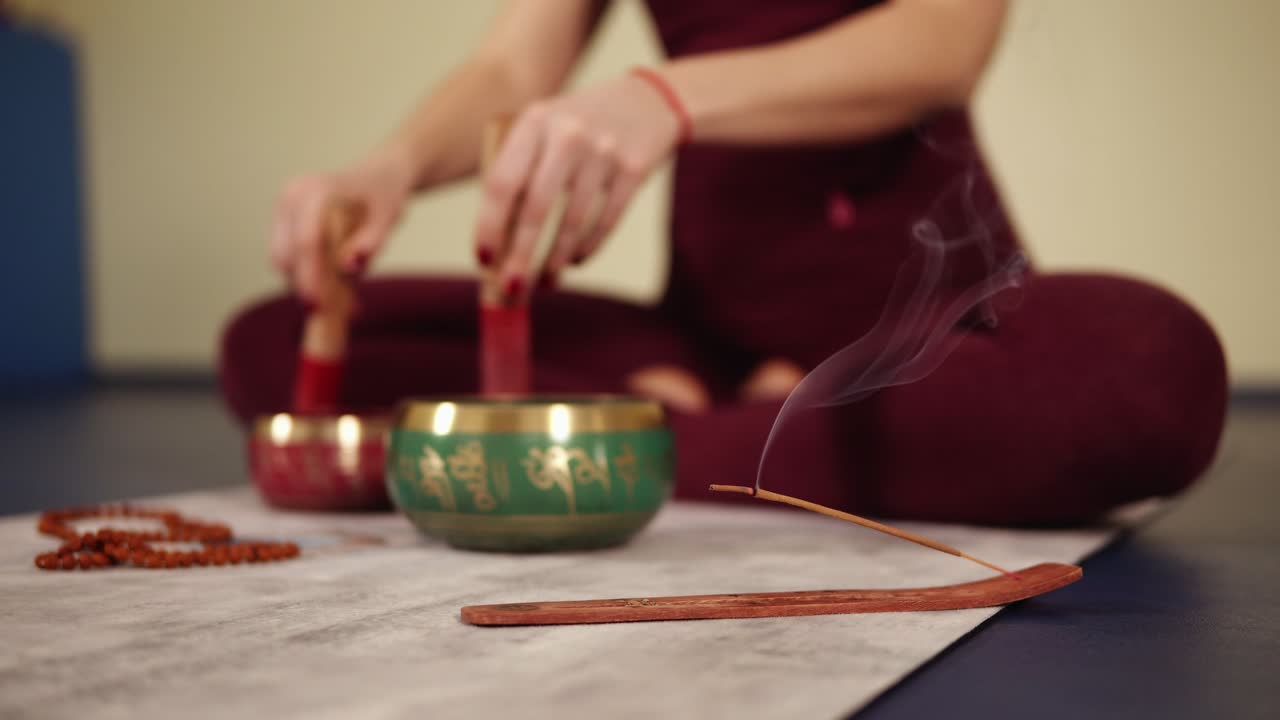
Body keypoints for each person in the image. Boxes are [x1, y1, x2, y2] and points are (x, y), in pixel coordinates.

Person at [220, 0, 1227, 525]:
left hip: (924, 335)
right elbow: (510, 68)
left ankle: (660, 445)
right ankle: (715, 422)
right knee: (273, 340)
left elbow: (941, 39)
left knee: (1147, 369)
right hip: (703, 330)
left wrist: (666, 98)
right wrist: (392, 164)